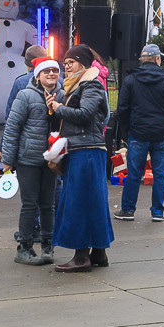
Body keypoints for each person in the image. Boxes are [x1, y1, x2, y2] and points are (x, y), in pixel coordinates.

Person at [48, 44, 114, 272]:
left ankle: (81, 257)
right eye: (64, 63)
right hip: (85, 150)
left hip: (87, 150)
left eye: (71, 62)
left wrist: (58, 108)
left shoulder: (91, 85)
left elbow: (85, 115)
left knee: (78, 202)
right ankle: (98, 253)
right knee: (92, 201)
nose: (66, 66)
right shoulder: (79, 85)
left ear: (82, 64)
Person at [113, 43, 164, 222]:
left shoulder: (131, 80)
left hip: (138, 134)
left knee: (133, 174)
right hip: (162, 134)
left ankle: (128, 210)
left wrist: (127, 131)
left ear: (142, 60)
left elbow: (122, 109)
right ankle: (157, 212)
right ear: (157, 59)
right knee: (160, 174)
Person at [0, 57, 64, 265]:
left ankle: (48, 246)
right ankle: (24, 248)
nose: (52, 74)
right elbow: (12, 128)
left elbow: (63, 126)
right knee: (29, 205)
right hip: (28, 159)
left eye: (55, 70)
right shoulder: (25, 95)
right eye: (47, 71)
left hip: (51, 161)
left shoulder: (62, 95)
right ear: (37, 75)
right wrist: (8, 159)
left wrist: (54, 110)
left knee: (48, 204)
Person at [5, 45, 48, 120]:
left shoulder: (20, 82)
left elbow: (11, 112)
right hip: (53, 131)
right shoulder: (59, 81)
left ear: (27, 64)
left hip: (27, 129)